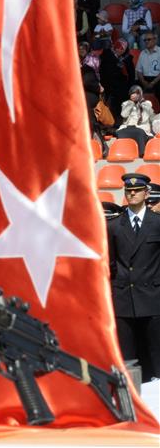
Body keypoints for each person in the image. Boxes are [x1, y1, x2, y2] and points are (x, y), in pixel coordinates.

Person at [107, 173, 160, 382]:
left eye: (137, 190)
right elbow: (111, 263)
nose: (132, 194)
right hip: (124, 298)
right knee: (128, 357)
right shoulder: (114, 226)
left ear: (146, 193)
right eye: (129, 191)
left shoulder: (157, 223)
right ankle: (131, 395)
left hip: (153, 297)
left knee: (156, 353)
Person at [118, 85, 159, 157]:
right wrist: (132, 103)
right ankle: (123, 152)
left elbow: (147, 117)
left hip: (141, 127)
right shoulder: (126, 103)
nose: (134, 95)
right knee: (121, 132)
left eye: (137, 93)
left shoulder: (147, 103)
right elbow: (124, 115)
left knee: (139, 132)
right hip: (127, 127)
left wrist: (140, 104)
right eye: (132, 93)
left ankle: (141, 153)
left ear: (140, 94)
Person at [101, 39, 136, 119]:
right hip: (108, 85)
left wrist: (131, 88)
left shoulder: (127, 59)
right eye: (117, 47)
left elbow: (131, 75)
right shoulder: (107, 55)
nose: (119, 50)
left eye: (122, 48)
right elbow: (104, 73)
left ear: (125, 50)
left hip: (122, 86)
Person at [136, 33, 160, 99]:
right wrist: (143, 81)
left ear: (155, 40)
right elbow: (139, 71)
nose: (146, 41)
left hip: (157, 79)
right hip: (144, 79)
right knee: (135, 89)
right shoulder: (142, 53)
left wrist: (153, 83)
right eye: (145, 40)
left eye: (149, 39)